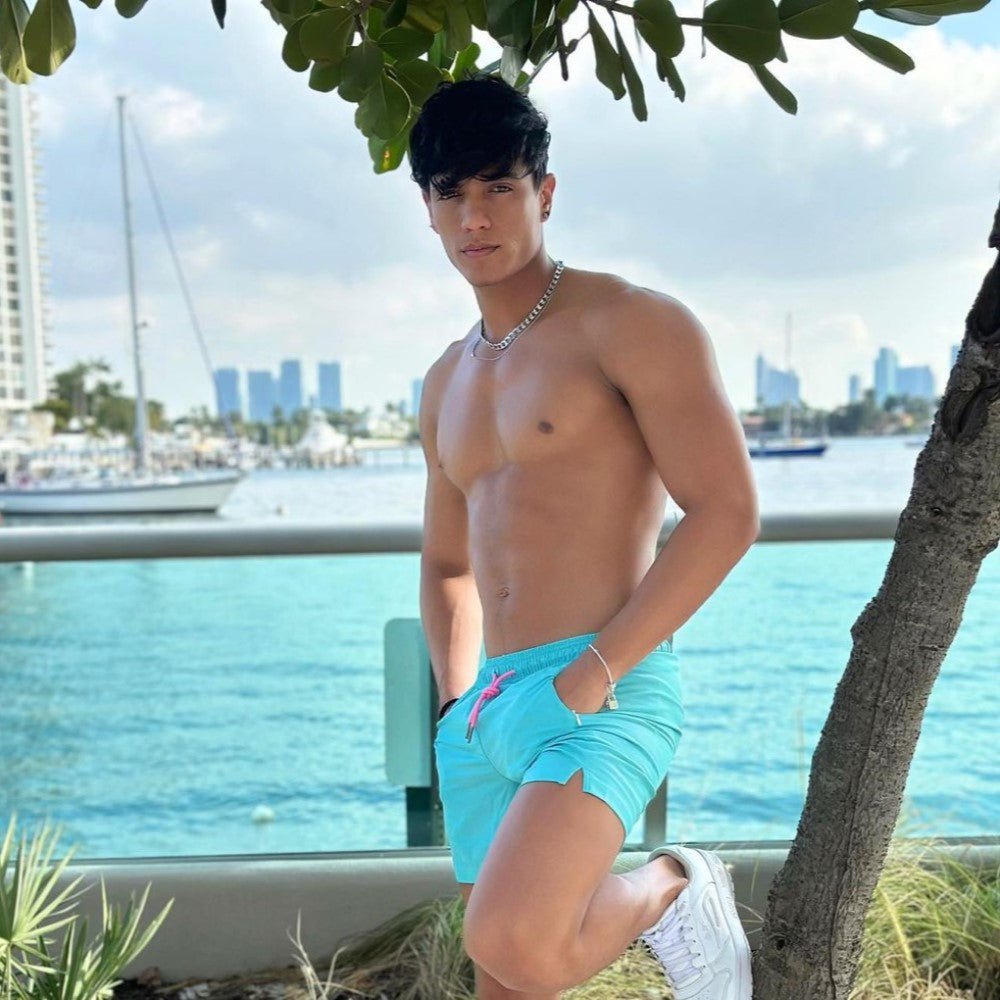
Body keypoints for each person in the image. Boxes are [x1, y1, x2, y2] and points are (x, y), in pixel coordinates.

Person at [411, 74, 759, 1000]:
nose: (475, 216)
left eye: (499, 187)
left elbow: (726, 513)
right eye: (452, 192)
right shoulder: (444, 380)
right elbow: (447, 564)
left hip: (603, 689)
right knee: (507, 982)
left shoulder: (631, 324)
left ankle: (673, 888)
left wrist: (592, 675)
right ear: (428, 209)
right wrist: (455, 705)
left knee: (518, 940)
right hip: (488, 711)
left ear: (546, 193)